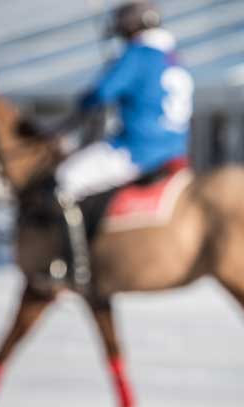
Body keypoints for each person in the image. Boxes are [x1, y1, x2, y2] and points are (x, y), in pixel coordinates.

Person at [53, 1, 193, 287]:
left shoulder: (137, 54)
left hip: (138, 149)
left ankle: (75, 267)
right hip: (174, 150)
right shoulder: (172, 57)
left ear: (130, 26)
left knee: (65, 179)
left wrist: (87, 96)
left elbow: (101, 94)